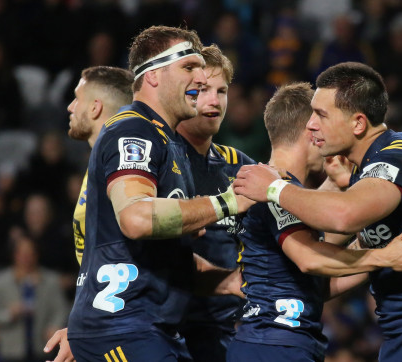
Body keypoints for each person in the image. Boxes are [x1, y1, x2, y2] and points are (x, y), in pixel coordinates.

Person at [233, 62, 402, 361]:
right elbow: (324, 254)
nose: (311, 124)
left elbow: (344, 217)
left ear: (358, 123)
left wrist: (275, 189)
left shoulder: (398, 155)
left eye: (321, 115)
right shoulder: (365, 172)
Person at [65, 25, 252, 362]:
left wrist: (228, 282)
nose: (199, 79)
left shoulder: (168, 145)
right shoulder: (134, 130)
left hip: (152, 329)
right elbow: (136, 218)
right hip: (121, 326)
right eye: (189, 68)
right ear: (152, 76)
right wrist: (229, 203)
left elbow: (160, 257)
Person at [43, 66, 134, 362]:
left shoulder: (125, 166)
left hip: (128, 331)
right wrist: (81, 325)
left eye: (76, 98)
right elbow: (100, 263)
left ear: (95, 108)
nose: (70, 107)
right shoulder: (96, 165)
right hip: (102, 325)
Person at [175, 45, 253, 362]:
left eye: (221, 91)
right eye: (203, 89)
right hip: (167, 333)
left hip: (226, 334)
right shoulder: (158, 162)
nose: (214, 101)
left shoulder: (240, 168)